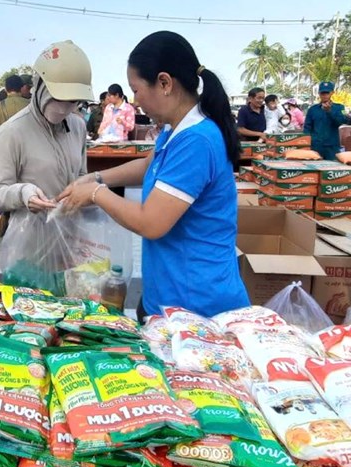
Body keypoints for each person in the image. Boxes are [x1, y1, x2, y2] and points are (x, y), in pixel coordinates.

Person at [58, 31, 249, 319]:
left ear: (164, 83)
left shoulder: (196, 141)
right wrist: (96, 179)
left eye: (136, 89)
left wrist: (96, 194)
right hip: (168, 295)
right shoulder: (177, 129)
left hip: (197, 306)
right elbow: (149, 164)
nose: (135, 100)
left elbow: (151, 223)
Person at [0, 40, 92, 215]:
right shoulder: (12, 132)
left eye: (72, 101)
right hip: (30, 235)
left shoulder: (78, 126)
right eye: (58, 97)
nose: (63, 107)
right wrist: (23, 194)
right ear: (39, 85)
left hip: (72, 233)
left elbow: (81, 174)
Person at [304, 81, 349, 160]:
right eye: (322, 93)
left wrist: (329, 111)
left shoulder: (340, 108)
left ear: (332, 93)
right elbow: (307, 128)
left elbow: (342, 121)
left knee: (332, 168)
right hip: (316, 146)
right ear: (319, 93)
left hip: (332, 146)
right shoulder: (312, 109)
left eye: (327, 93)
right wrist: (306, 143)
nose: (324, 95)